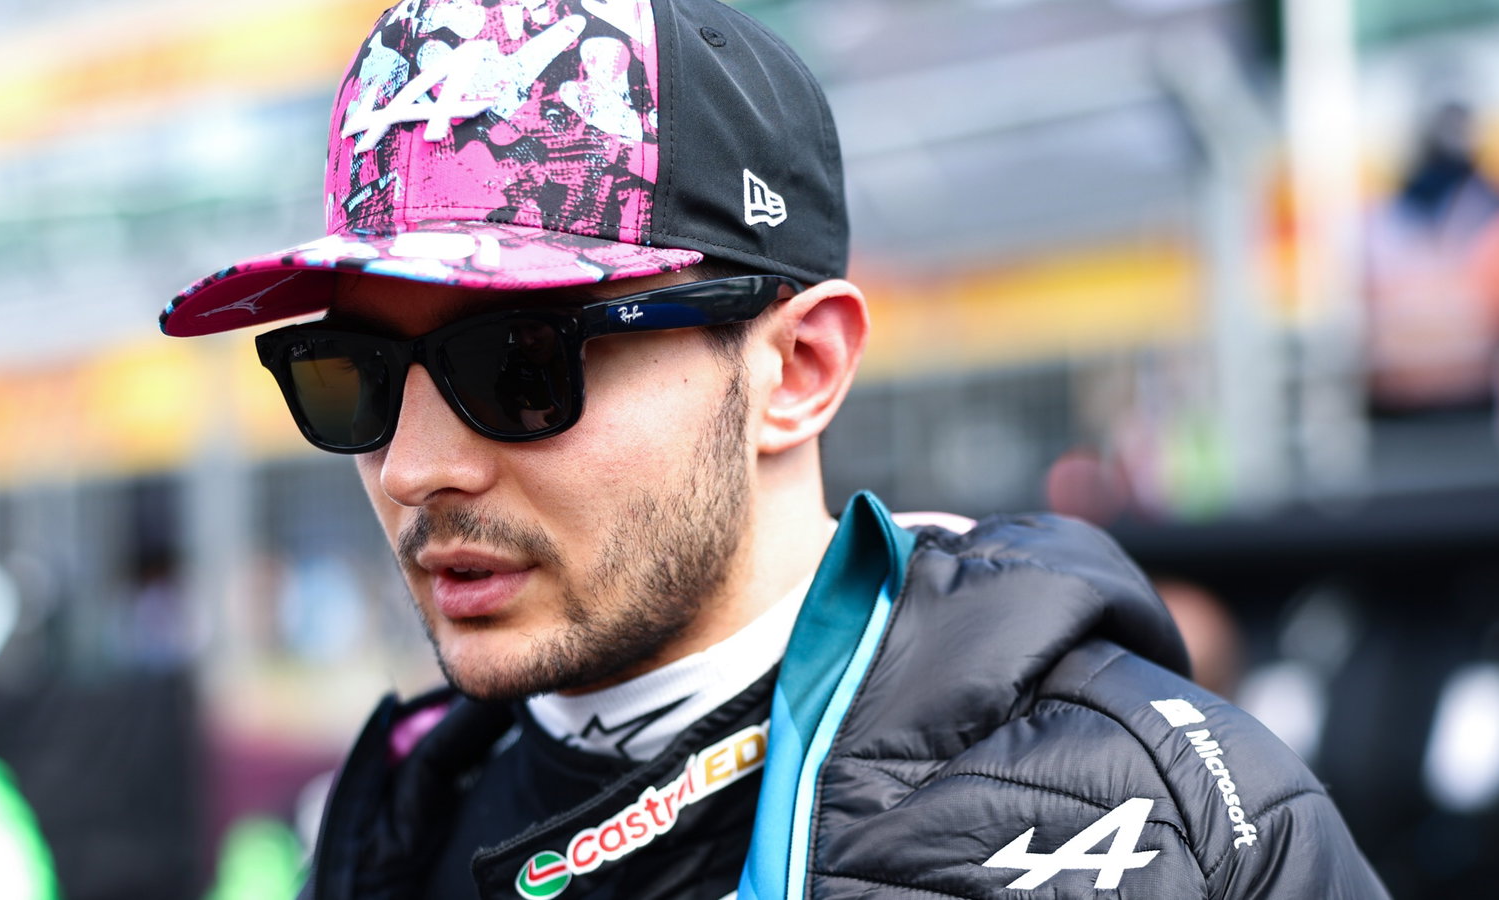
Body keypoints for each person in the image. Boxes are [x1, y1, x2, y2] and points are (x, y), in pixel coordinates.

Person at [160, 0, 1390, 896]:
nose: (417, 466)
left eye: (521, 366)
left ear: (796, 371)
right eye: (352, 379)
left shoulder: (1154, 821)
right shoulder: (396, 815)